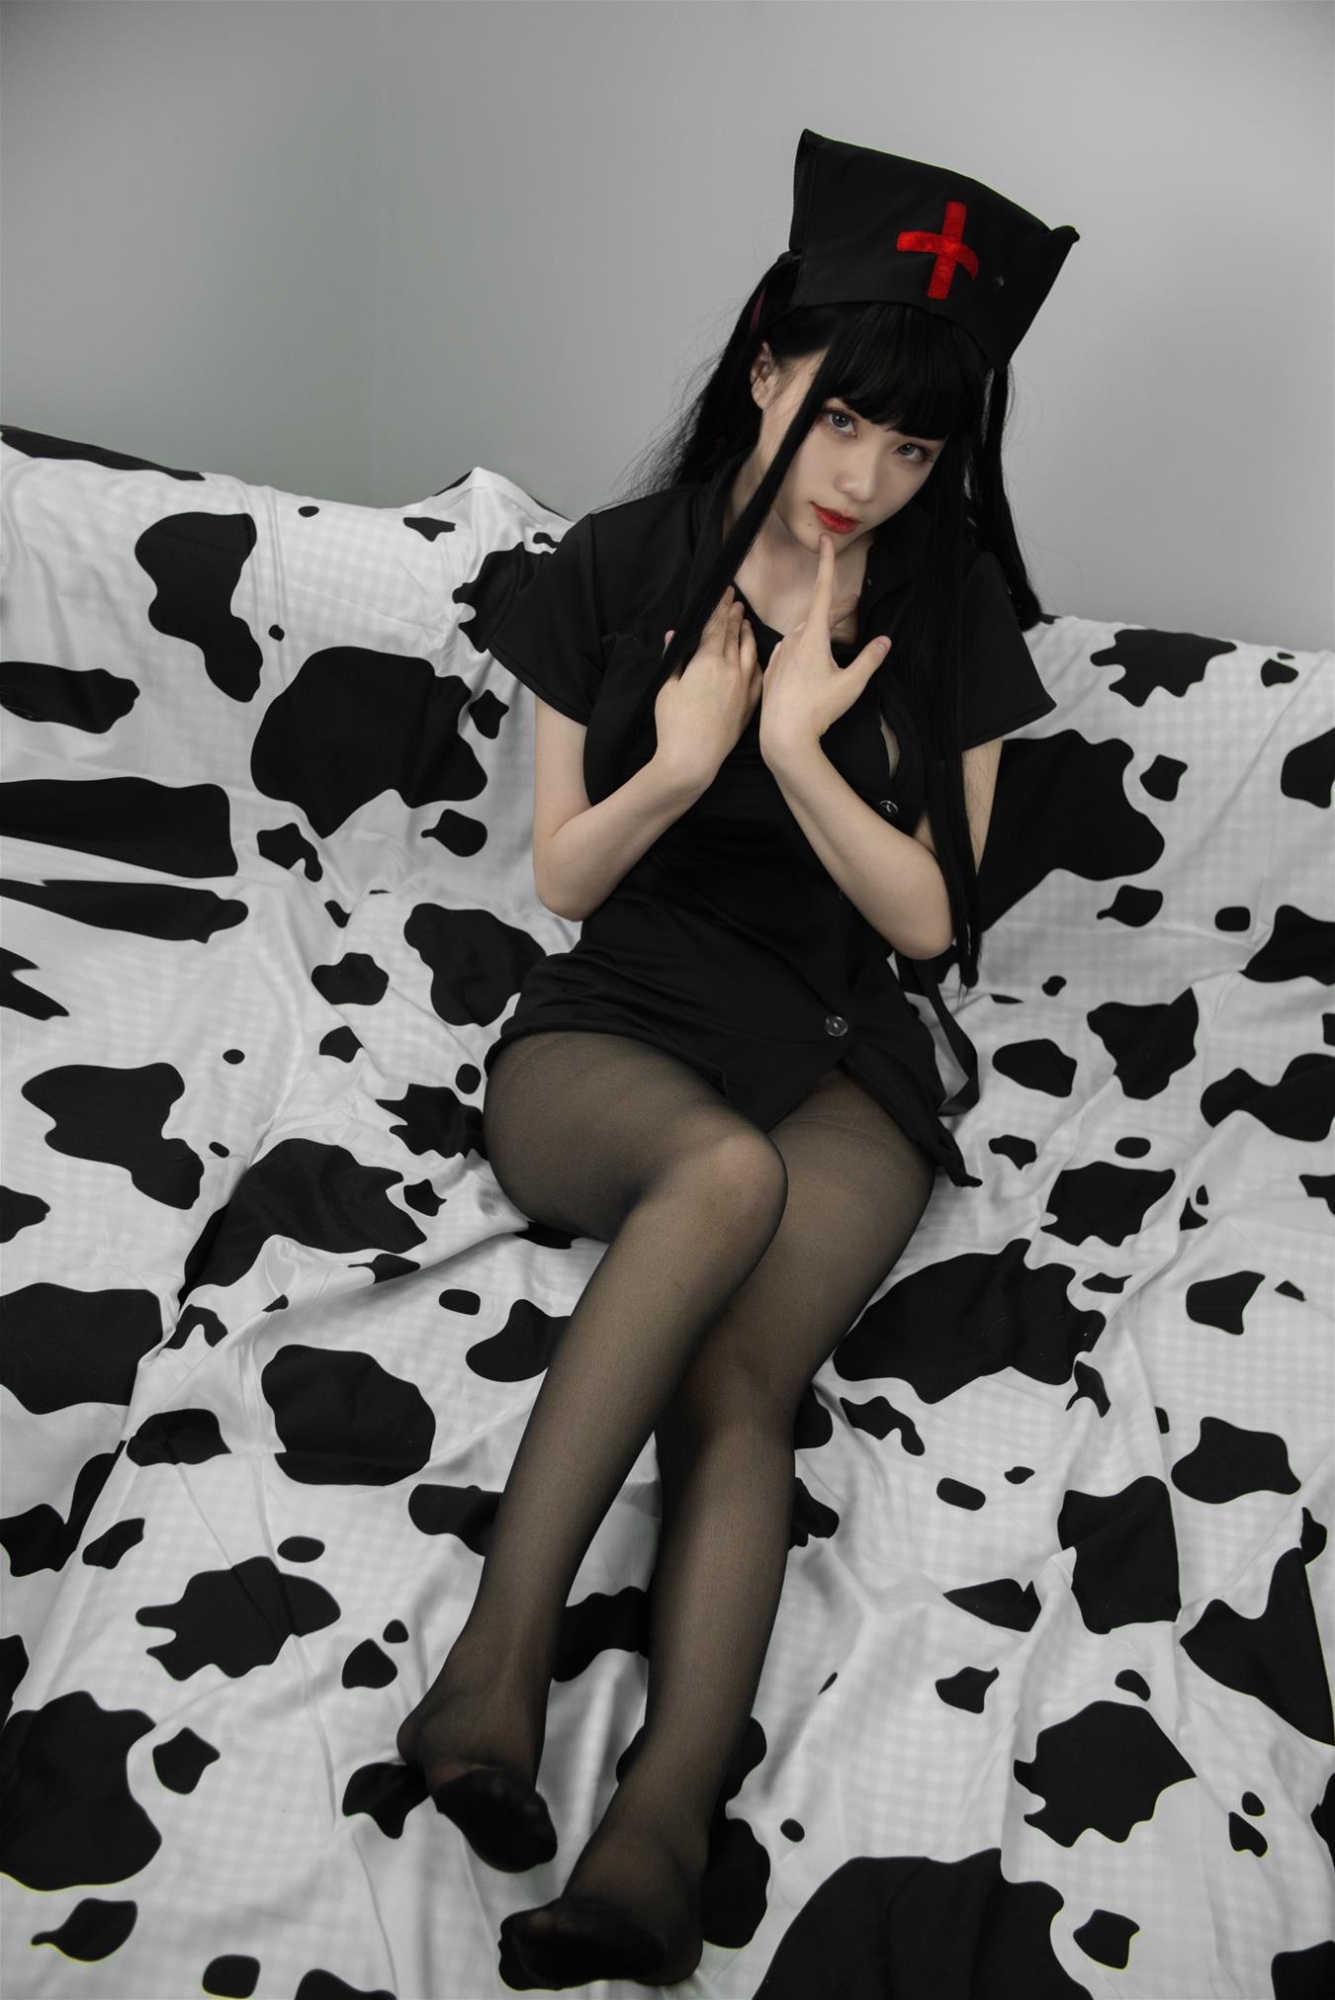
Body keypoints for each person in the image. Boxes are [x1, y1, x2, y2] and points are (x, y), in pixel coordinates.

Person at [396, 129, 1079, 1990]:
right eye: (841, 418)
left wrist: (791, 750)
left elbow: (933, 925)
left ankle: (658, 1836)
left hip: (847, 1049)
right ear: (767, 370)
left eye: (915, 448)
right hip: (621, 1030)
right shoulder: (619, 566)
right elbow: (562, 877)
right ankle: (491, 1674)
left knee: (742, 1382)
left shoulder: (950, 608)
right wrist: (688, 760)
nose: (865, 477)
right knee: (716, 1176)